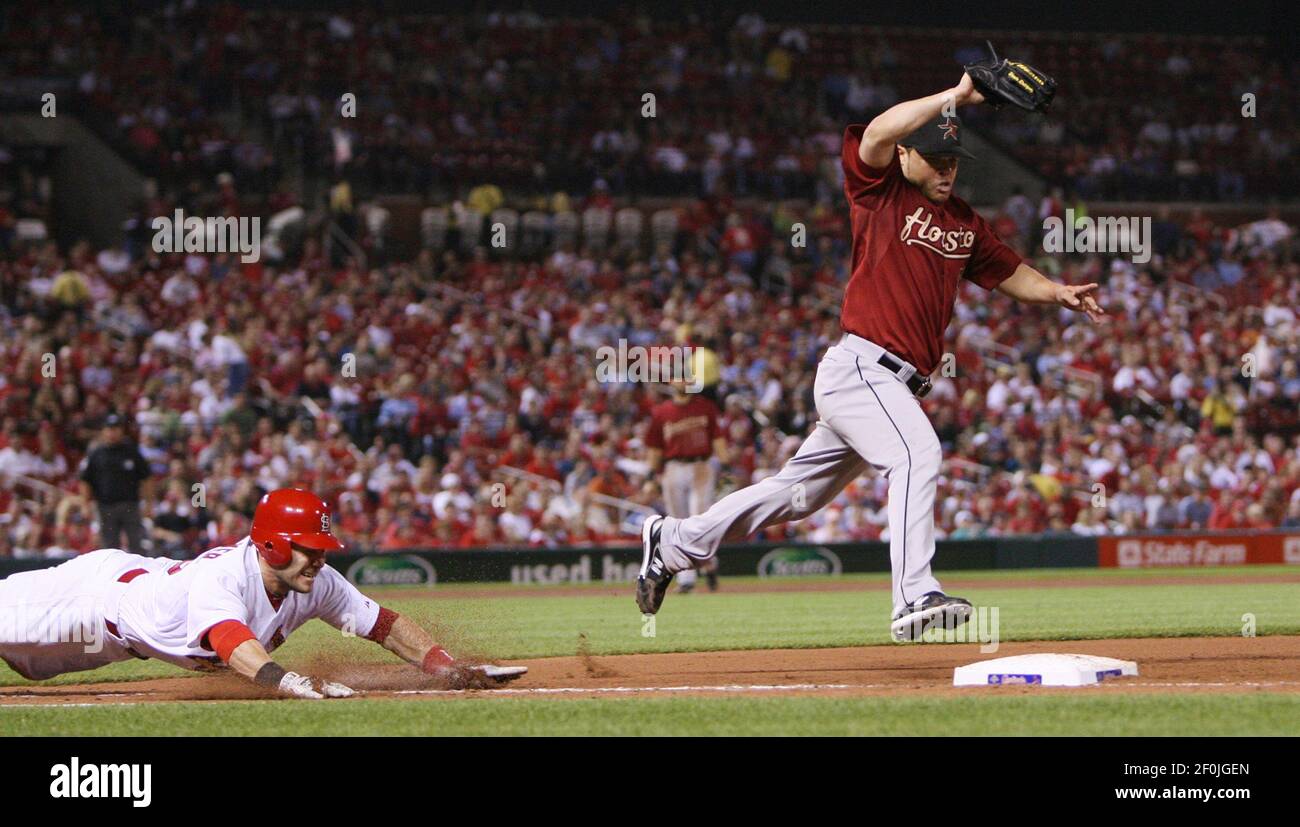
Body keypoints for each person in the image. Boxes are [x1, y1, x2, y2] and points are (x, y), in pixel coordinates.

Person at [636, 69, 1104, 642]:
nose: (946, 170)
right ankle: (912, 596)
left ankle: (675, 541)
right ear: (907, 156)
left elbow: (1008, 271)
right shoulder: (879, 192)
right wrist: (954, 97)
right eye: (935, 159)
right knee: (916, 454)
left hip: (891, 384)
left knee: (797, 495)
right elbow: (876, 133)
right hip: (862, 366)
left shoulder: (964, 221)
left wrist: (1056, 291)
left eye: (954, 162)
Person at [0, 488, 525, 695]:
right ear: (271, 544)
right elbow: (231, 640)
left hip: (121, 626)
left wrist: (447, 666)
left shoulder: (313, 580)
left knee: (24, 665)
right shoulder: (226, 577)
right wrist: (289, 681)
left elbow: (381, 624)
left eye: (322, 547)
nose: (320, 558)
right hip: (92, 602)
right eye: (307, 547)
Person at [645, 381, 728, 593]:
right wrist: (650, 476)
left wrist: (725, 465)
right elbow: (655, 448)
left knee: (700, 521)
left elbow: (717, 437)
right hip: (674, 467)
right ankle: (686, 578)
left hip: (701, 465)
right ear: (672, 382)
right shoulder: (662, 411)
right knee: (677, 523)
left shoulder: (705, 406)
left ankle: (708, 565)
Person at [78, 414, 153, 554]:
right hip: (105, 507)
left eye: (116, 428)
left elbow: (147, 477)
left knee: (136, 544)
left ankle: (140, 574)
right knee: (109, 547)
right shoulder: (96, 453)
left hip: (130, 506)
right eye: (110, 429)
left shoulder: (131, 451)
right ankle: (113, 575)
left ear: (121, 430)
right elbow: (85, 480)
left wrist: (149, 503)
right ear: (104, 431)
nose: (113, 432)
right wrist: (85, 504)